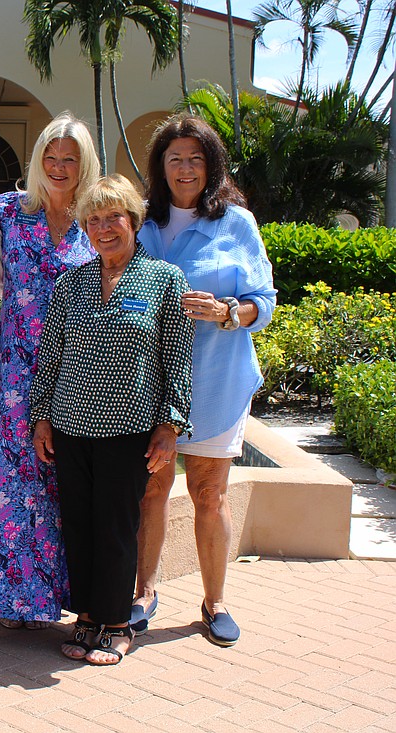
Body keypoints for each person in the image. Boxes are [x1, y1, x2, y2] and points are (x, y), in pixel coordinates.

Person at [29, 174, 194, 666]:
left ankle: (117, 622)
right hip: (71, 426)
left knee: (118, 527)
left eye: (112, 217)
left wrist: (170, 424)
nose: (103, 228)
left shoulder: (165, 280)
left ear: (133, 221)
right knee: (78, 525)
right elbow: (51, 353)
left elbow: (178, 357)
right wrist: (42, 418)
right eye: (93, 219)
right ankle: (86, 619)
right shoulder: (72, 281)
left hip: (131, 430)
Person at [131, 114, 277, 648]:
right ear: (160, 166)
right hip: (149, 384)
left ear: (211, 164)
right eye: (175, 158)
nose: (185, 168)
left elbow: (264, 301)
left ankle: (215, 601)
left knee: (209, 492)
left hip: (216, 378)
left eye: (196, 158)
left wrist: (227, 312)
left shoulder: (236, 223)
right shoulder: (142, 222)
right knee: (151, 489)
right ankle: (144, 592)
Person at [0, 113, 100, 631]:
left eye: (69, 159)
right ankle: (17, 600)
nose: (58, 167)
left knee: (65, 486)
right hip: (15, 372)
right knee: (12, 482)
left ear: (84, 165)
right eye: (50, 158)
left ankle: (71, 597)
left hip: (78, 376)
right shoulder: (7, 211)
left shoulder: (97, 221)